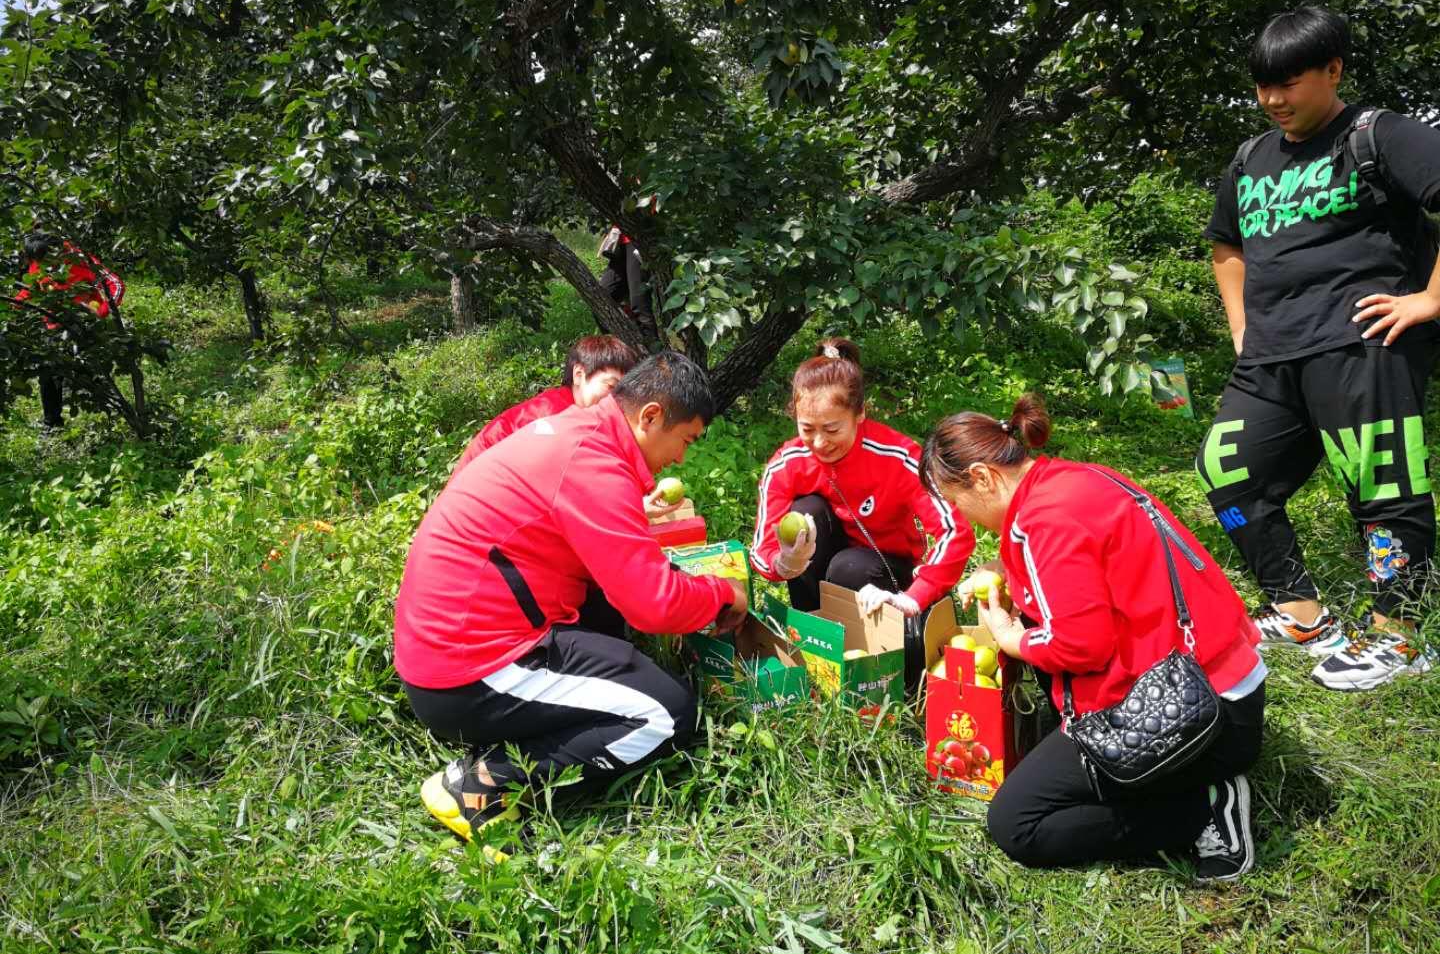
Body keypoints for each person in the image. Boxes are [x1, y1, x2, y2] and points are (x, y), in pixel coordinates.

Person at [394, 352, 747, 844]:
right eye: (684, 440)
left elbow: (625, 568)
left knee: (613, 615)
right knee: (667, 714)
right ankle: (482, 786)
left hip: (446, 648)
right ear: (650, 417)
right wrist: (722, 594)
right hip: (469, 672)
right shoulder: (593, 464)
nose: (681, 459)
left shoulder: (576, 433)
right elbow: (653, 606)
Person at [921, 394, 1267, 882]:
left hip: (1199, 720)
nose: (965, 516)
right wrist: (1009, 573)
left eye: (958, 502)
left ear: (982, 477)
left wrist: (1007, 636)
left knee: (1016, 825)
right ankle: (1180, 781)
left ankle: (1201, 810)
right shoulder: (1074, 480)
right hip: (1222, 684)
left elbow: (1080, 646)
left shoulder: (1042, 523)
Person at [1200, 6, 1440, 691]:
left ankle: (1398, 635)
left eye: (1289, 83)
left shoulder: (1379, 134)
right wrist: (1242, 329)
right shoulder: (1250, 159)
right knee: (1228, 472)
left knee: (1381, 486)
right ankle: (1301, 612)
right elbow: (1227, 245)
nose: (1274, 100)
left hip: (1363, 343)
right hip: (1271, 354)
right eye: (1262, 87)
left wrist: (1428, 298)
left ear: (1333, 70)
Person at [749, 338, 975, 680]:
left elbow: (955, 532)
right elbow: (761, 550)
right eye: (807, 429)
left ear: (860, 414)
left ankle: (878, 662)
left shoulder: (898, 457)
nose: (820, 443)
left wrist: (917, 596)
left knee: (848, 567)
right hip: (825, 567)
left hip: (886, 569)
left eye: (832, 429)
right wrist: (783, 563)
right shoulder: (789, 463)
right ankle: (816, 641)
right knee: (806, 511)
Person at [447, 334, 641, 484]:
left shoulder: (573, 411)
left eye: (623, 392)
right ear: (579, 375)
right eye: (611, 387)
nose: (616, 401)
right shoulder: (554, 417)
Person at [13, 234, 125, 429]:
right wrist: (14, 305)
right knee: (48, 371)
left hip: (83, 323)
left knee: (93, 372)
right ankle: (52, 424)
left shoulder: (79, 259)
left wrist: (101, 311)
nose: (42, 264)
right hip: (53, 324)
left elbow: (115, 283)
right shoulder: (39, 259)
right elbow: (33, 287)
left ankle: (117, 415)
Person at [598, 225, 657, 336]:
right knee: (601, 297)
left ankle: (652, 350)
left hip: (638, 239)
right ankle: (616, 348)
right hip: (620, 241)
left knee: (640, 305)